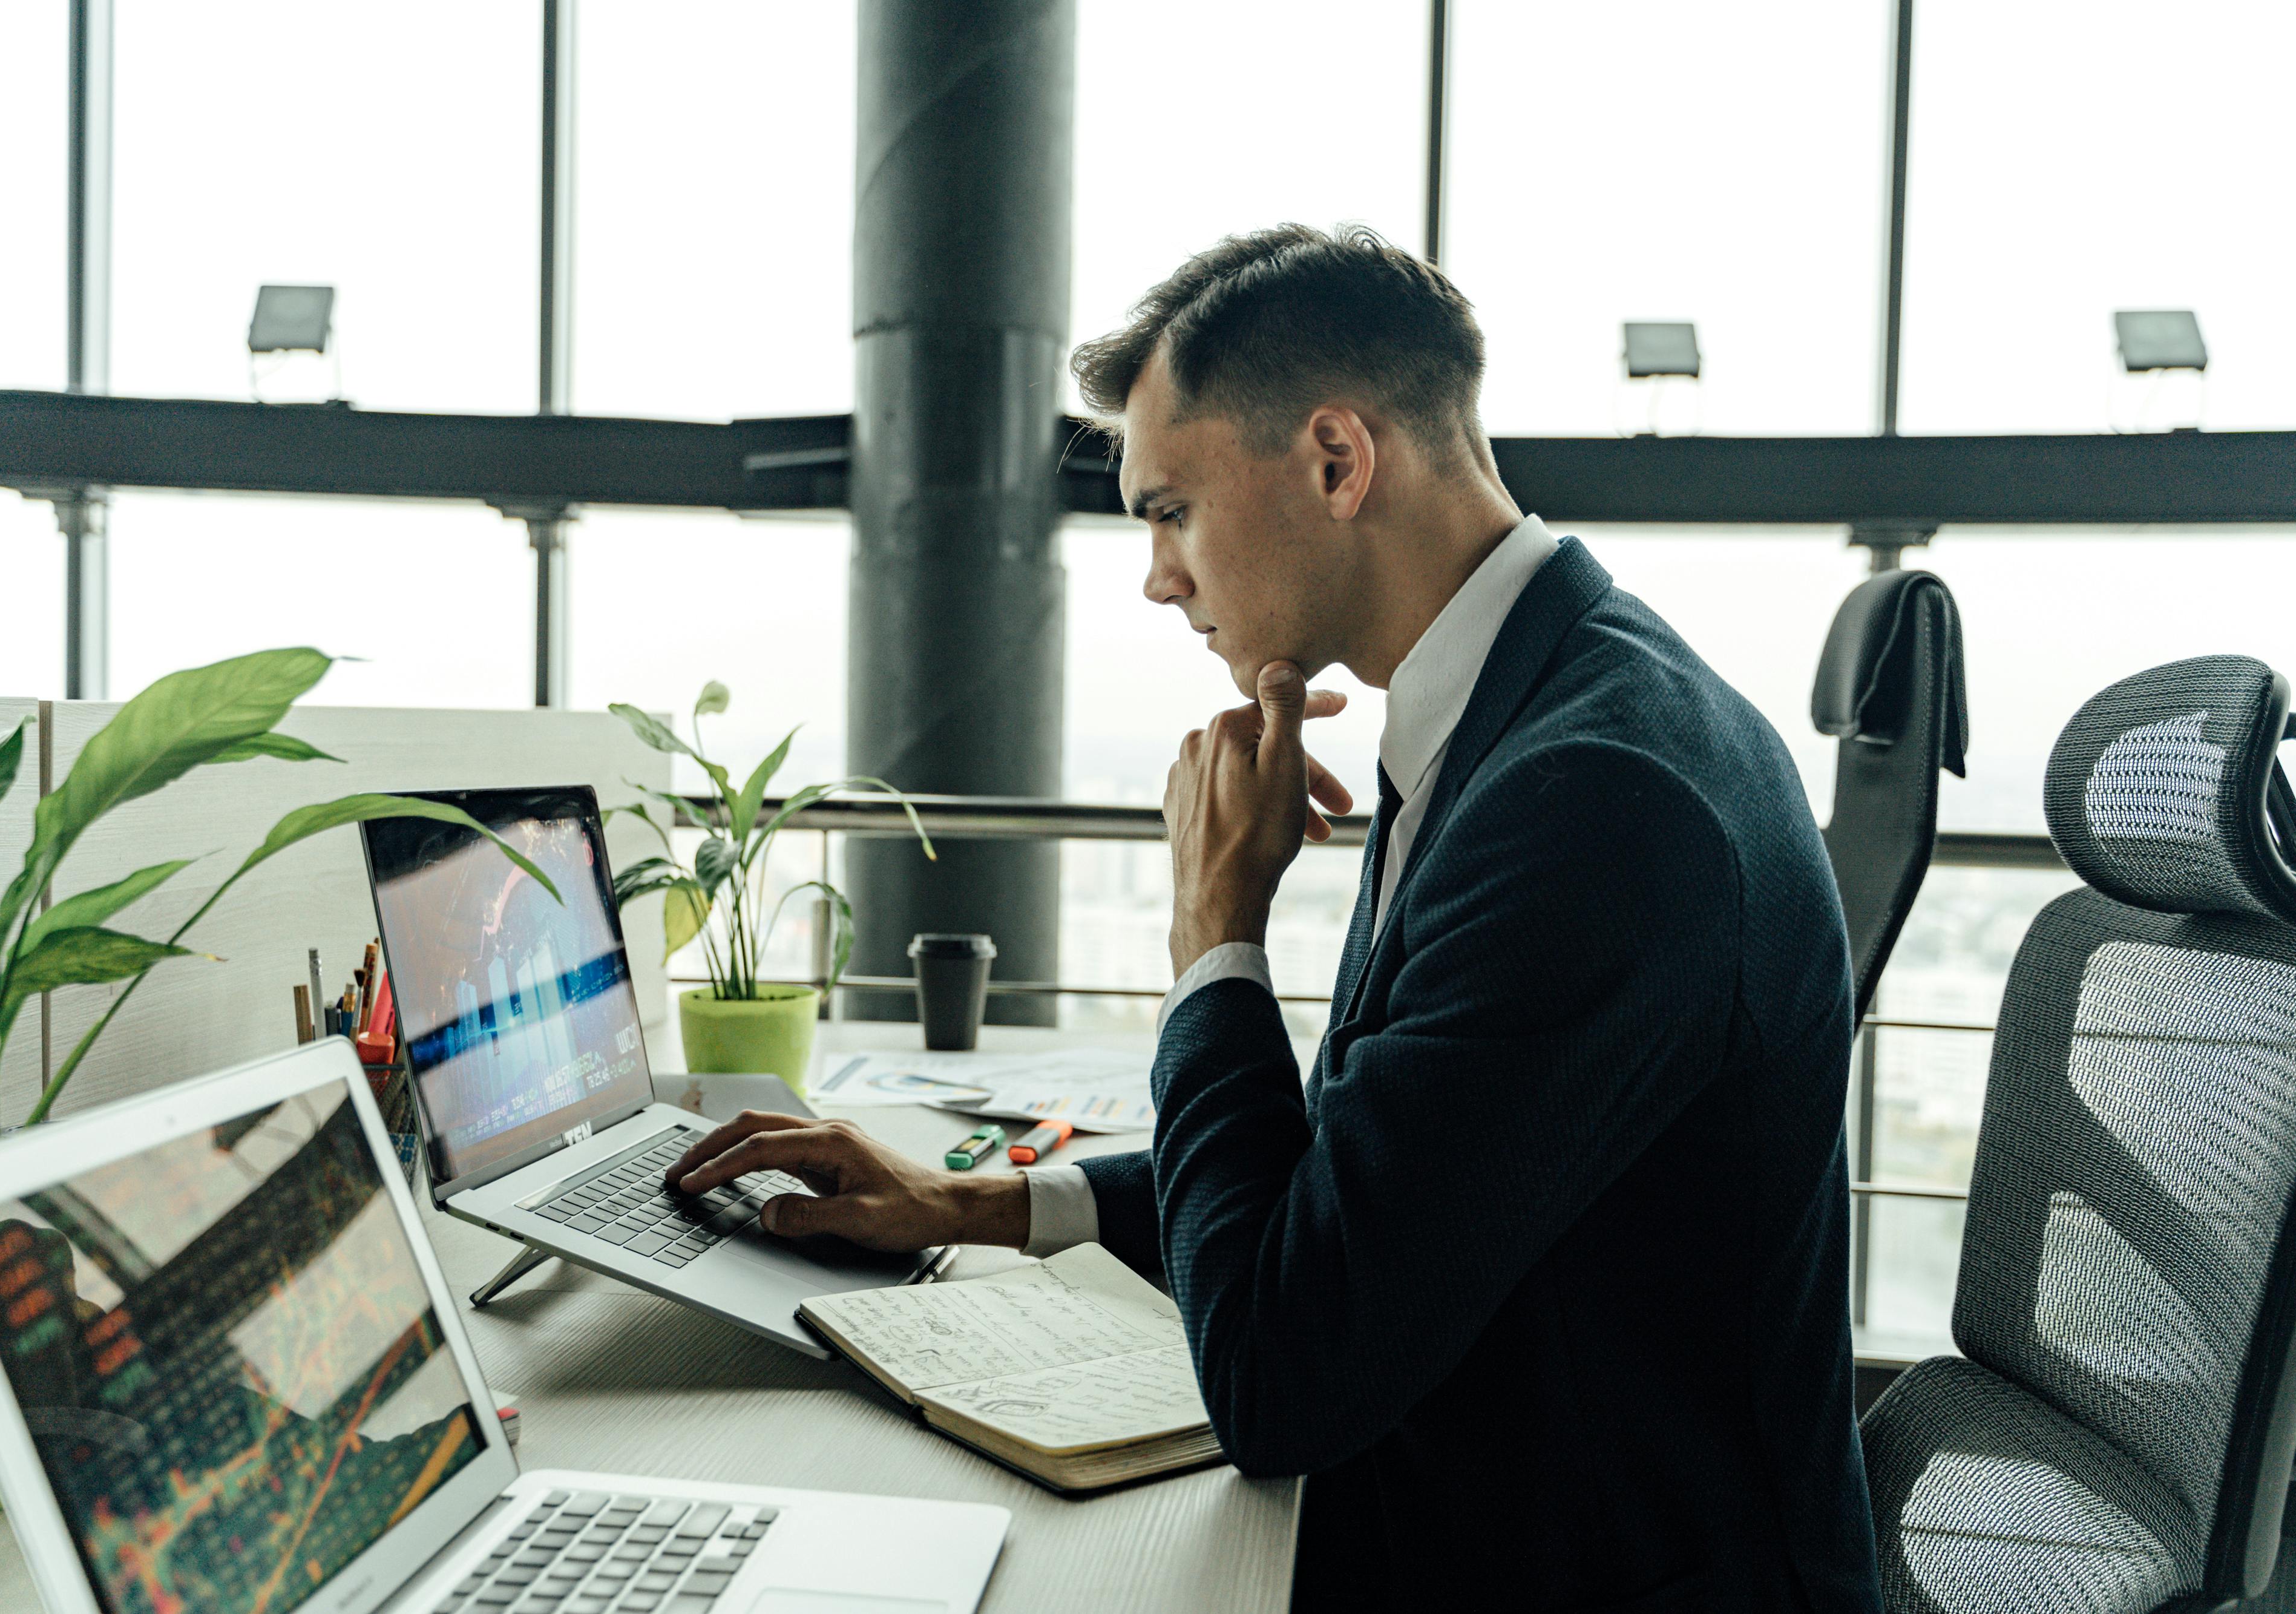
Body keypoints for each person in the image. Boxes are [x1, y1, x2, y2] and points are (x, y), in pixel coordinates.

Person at [669, 225, 1879, 1611]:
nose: (1157, 575)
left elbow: (1278, 1374)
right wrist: (977, 1202)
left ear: (1334, 461)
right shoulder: (1526, 711)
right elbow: (1366, 1188)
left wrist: (1214, 937)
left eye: (1169, 507)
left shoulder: (1589, 805)